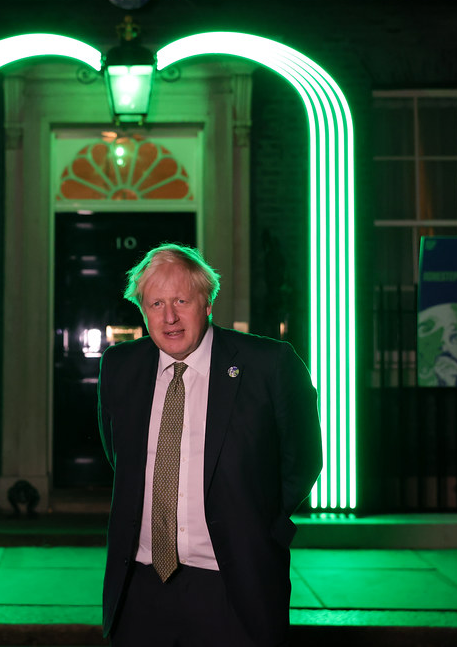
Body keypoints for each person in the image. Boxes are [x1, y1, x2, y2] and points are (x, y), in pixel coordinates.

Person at [98, 243, 322, 647]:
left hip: (232, 587)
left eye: (181, 301)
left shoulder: (269, 364)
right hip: (140, 589)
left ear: (207, 303)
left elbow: (303, 460)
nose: (169, 317)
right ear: (143, 310)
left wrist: (261, 522)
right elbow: (122, 459)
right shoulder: (120, 366)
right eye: (156, 303)